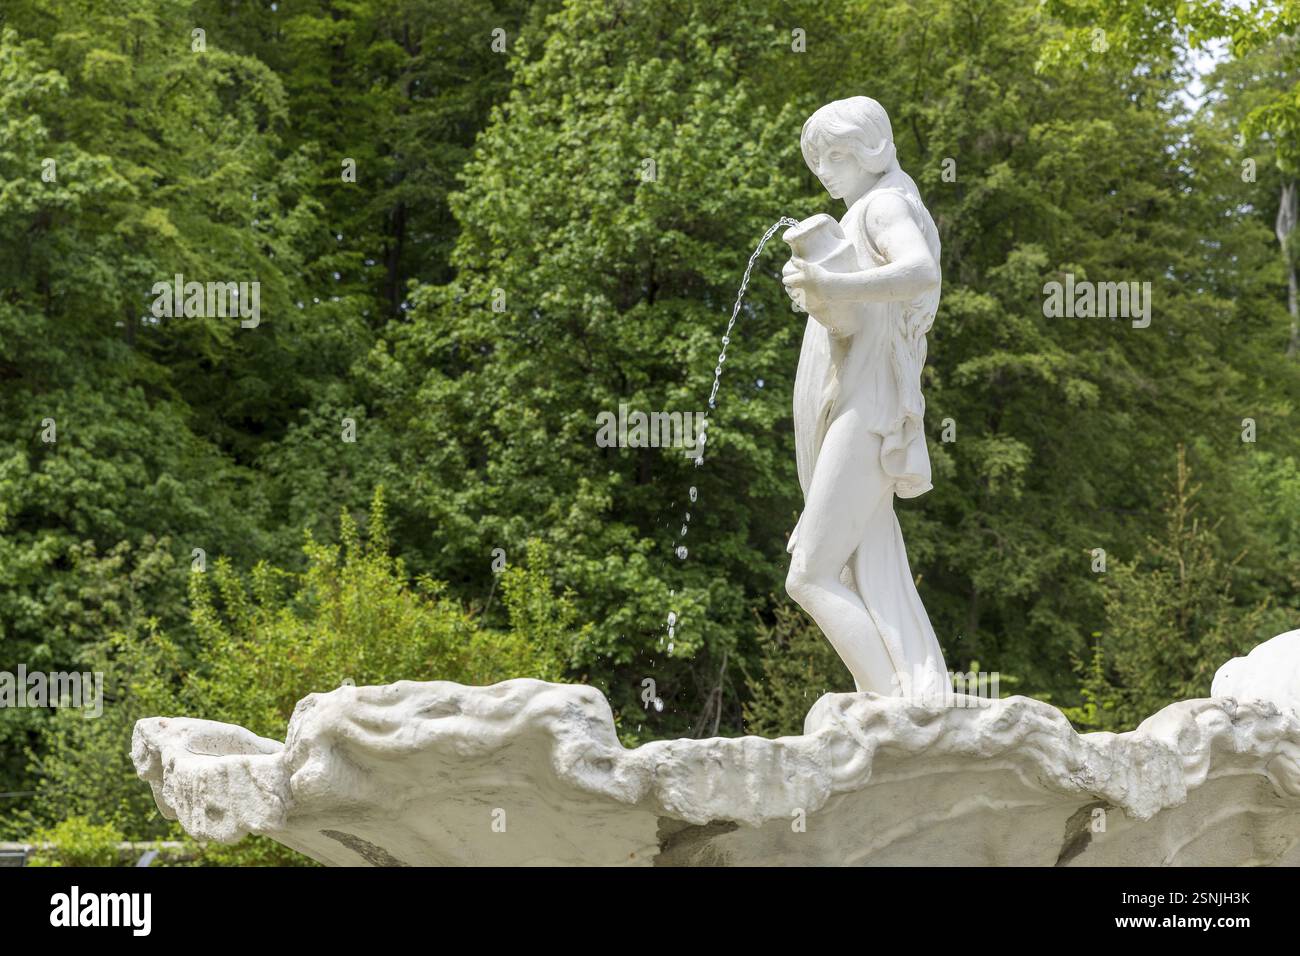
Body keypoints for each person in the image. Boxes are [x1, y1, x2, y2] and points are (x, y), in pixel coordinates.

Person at [781, 96, 948, 697]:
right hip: (863, 402)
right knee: (872, 567)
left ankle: (890, 709)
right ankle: (917, 697)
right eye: (817, 158)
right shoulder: (863, 211)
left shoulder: (883, 205)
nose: (824, 169)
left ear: (873, 150)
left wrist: (831, 281)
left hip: (870, 406)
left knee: (811, 572)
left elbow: (921, 270)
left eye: (837, 153)